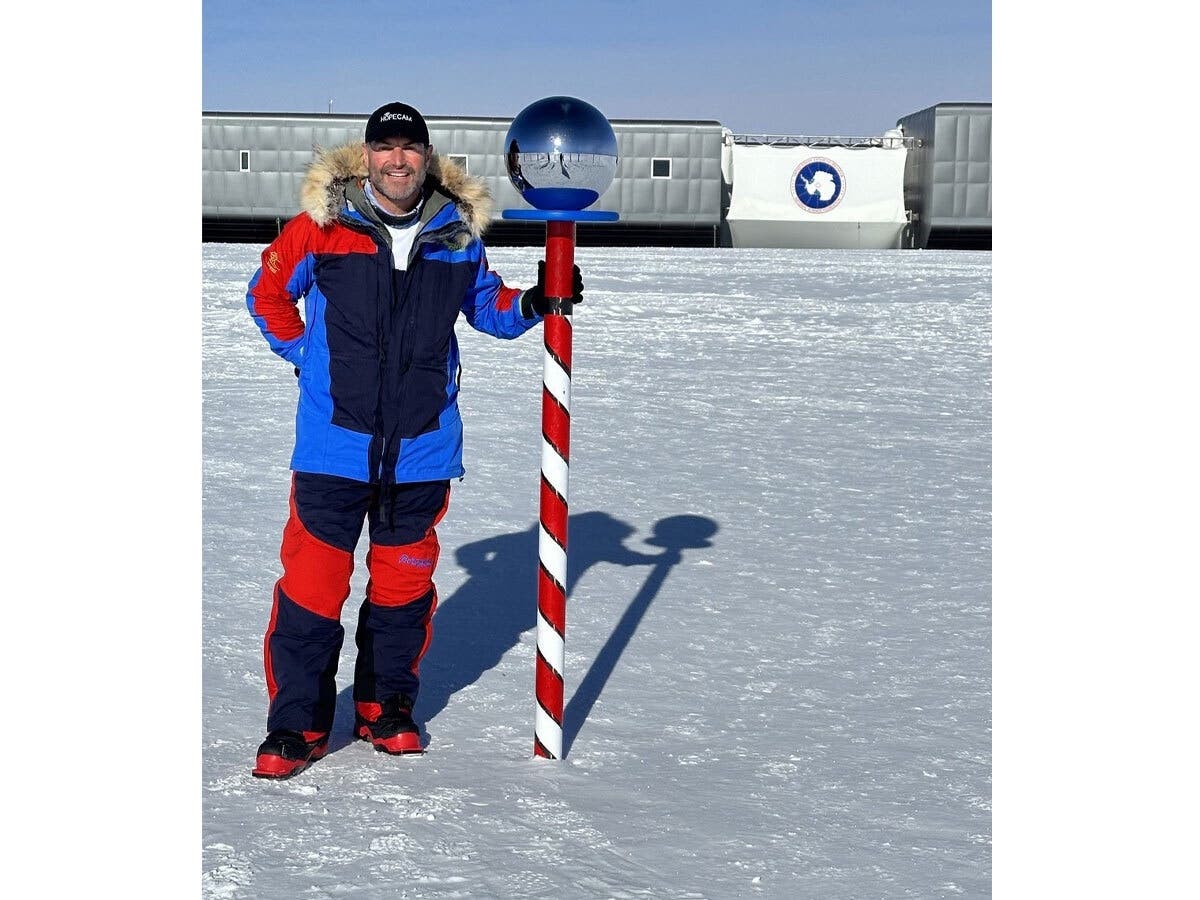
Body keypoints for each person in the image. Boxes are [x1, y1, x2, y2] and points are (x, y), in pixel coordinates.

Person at [245, 101, 583, 779]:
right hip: (333, 447)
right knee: (313, 589)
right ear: (365, 156)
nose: (397, 160)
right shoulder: (322, 227)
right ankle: (297, 726)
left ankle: (385, 709)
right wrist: (307, 357)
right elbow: (268, 295)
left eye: (409, 149)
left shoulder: (456, 233)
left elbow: (484, 304)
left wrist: (534, 300)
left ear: (426, 157)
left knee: (402, 592)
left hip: (422, 447)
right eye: (384, 148)